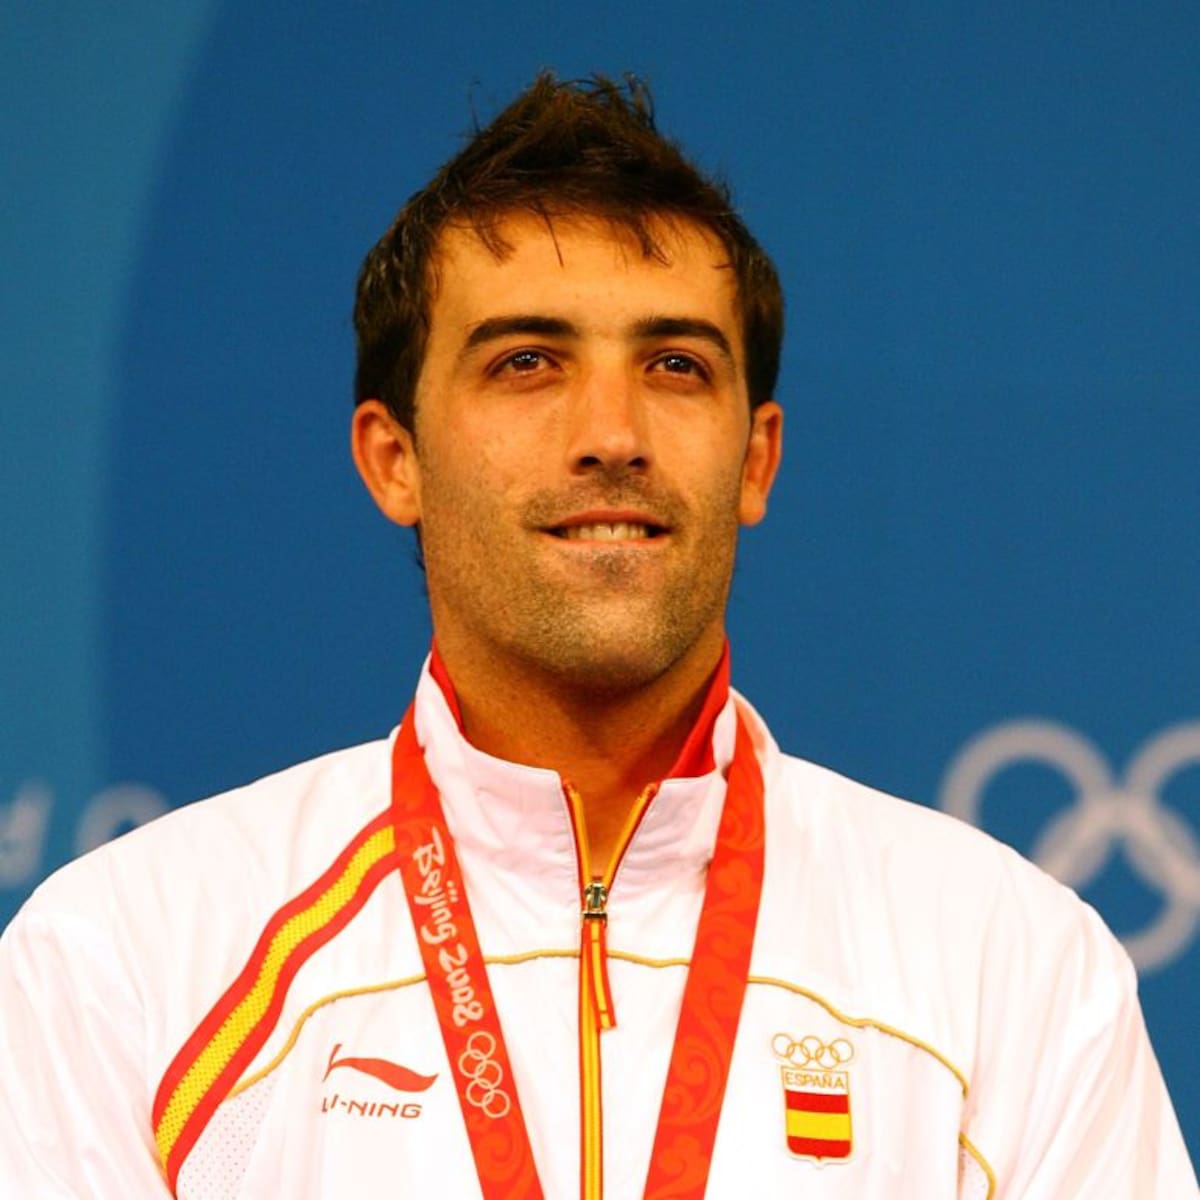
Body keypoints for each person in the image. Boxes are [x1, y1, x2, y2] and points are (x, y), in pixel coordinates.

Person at [0, 74, 1194, 1200]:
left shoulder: (1008, 969)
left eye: (675, 365)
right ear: (394, 459)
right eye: (528, 363)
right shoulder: (129, 959)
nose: (612, 434)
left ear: (757, 460)